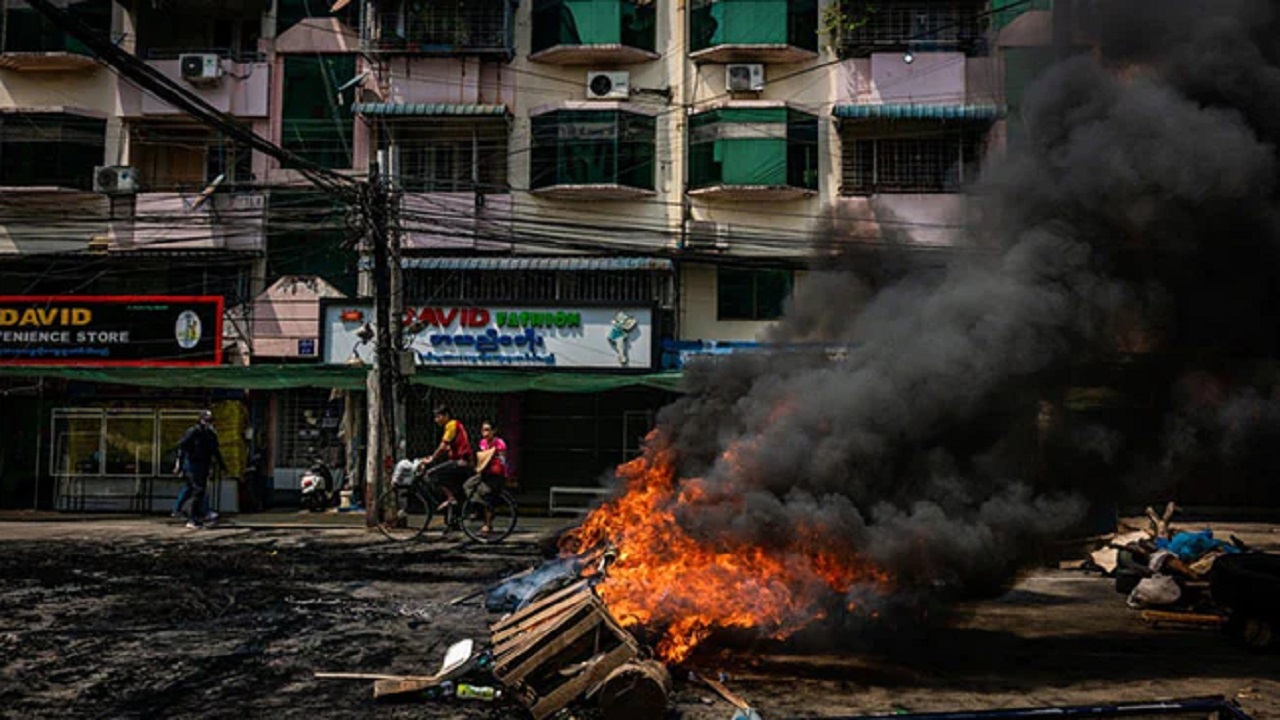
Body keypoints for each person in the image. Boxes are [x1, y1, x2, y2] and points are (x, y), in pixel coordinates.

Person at [174, 409, 228, 529]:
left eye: (210, 421)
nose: (208, 423)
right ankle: (191, 518)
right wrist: (180, 464)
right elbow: (182, 446)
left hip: (204, 465)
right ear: (201, 420)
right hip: (192, 465)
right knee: (196, 490)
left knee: (200, 491)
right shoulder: (193, 432)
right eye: (206, 420)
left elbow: (215, 451)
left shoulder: (210, 434)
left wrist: (222, 466)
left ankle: (197, 516)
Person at [424, 404, 473, 512]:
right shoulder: (455, 425)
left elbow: (442, 446)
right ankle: (453, 520)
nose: (436, 420)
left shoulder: (451, 425)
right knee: (454, 488)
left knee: (432, 474)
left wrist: (432, 458)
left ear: (446, 415)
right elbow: (448, 447)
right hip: (463, 461)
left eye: (438, 416)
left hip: (460, 462)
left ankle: (450, 498)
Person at [464, 421, 510, 534]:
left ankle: (488, 524)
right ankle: (478, 508)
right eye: (483, 430)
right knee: (468, 485)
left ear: (494, 431)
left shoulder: (499, 443)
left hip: (496, 475)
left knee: (486, 493)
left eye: (488, 430)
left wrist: (495, 456)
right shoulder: (483, 443)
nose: (485, 432)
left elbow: (503, 461)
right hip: (484, 472)